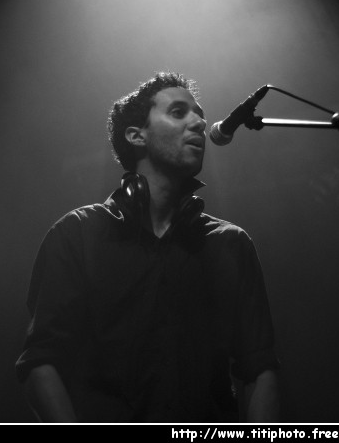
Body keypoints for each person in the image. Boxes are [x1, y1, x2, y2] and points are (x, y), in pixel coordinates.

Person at [15, 71, 280, 423]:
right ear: (136, 135)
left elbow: (259, 369)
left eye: (199, 115)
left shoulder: (231, 245)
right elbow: (40, 363)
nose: (199, 123)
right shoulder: (76, 234)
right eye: (178, 112)